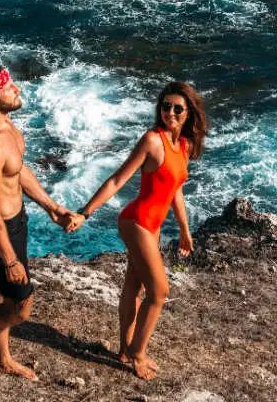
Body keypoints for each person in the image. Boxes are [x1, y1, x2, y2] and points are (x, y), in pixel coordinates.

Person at [0, 65, 85, 381]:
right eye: (8, 87)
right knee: (20, 306)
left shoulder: (7, 125)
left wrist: (51, 207)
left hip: (16, 220)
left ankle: (0, 357)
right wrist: (9, 259)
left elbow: (17, 170)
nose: (17, 89)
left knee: (0, 291)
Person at [72, 81, 208, 380]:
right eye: (165, 106)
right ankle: (137, 353)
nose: (170, 112)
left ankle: (124, 349)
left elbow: (176, 190)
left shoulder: (183, 146)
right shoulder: (152, 140)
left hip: (154, 227)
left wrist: (184, 230)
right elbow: (117, 180)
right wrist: (85, 212)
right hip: (135, 222)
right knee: (160, 291)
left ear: (189, 113)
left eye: (177, 108)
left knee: (135, 288)